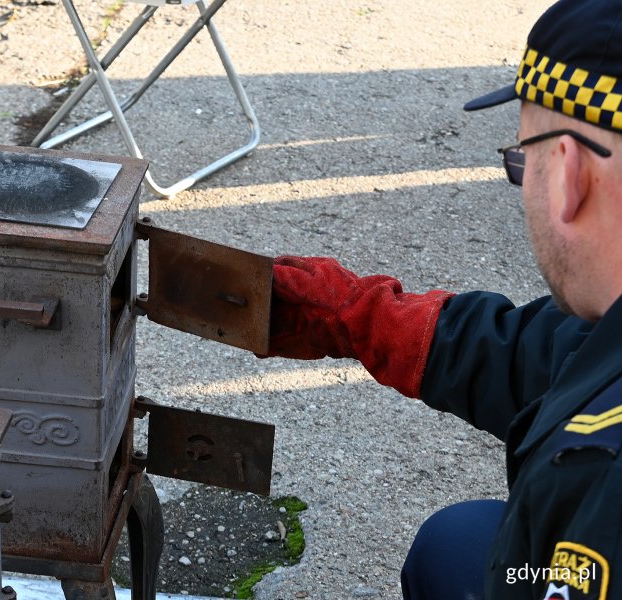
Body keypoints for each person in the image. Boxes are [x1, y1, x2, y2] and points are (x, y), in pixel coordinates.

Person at [264, 1, 622, 598]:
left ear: (569, 172)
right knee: (458, 544)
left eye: (520, 159)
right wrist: (365, 319)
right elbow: (563, 356)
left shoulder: (601, 472)